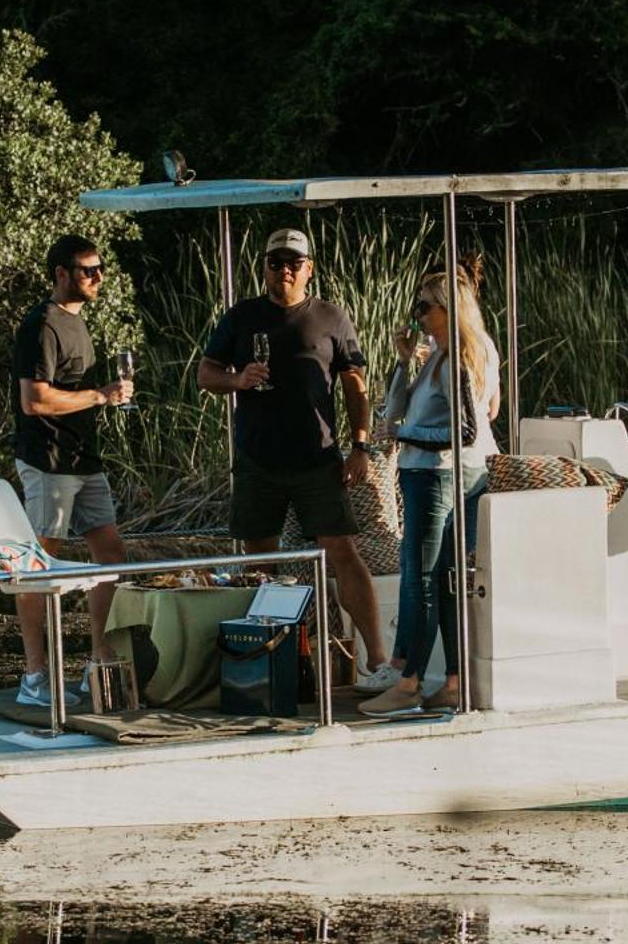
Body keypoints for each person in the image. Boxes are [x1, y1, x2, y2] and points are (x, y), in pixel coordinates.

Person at [196, 228, 393, 677]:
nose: (284, 269)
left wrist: (360, 446)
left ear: (309, 268)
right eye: (275, 261)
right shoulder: (241, 316)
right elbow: (207, 374)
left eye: (294, 262)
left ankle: (376, 658)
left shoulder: (331, 317)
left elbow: (355, 386)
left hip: (317, 458)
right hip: (257, 459)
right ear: (263, 267)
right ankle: (261, 663)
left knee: (343, 552)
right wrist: (238, 380)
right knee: (258, 560)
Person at [359, 261, 501, 717]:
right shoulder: (442, 355)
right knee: (443, 583)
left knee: (422, 581)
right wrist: (404, 362)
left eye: (425, 306)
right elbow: (398, 405)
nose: (417, 314)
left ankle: (409, 683)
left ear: (448, 310)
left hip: (437, 476)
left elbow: (465, 432)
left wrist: (405, 437)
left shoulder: (456, 358)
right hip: (449, 476)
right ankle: (454, 682)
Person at [11, 234, 134, 706]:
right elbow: (34, 399)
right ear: (62, 274)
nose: (98, 277)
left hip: (85, 459)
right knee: (38, 565)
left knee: (111, 554)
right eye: (88, 270)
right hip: (49, 462)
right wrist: (100, 395)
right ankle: (34, 678)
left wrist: (105, 395)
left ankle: (98, 660)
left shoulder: (78, 323)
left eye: (100, 268)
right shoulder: (41, 325)